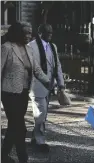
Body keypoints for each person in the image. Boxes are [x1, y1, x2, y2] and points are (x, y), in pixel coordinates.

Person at [1, 21, 50, 163]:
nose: (29, 35)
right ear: (18, 33)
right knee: (20, 127)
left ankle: (3, 156)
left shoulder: (29, 50)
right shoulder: (7, 48)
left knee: (13, 126)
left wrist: (48, 82)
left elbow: (37, 70)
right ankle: (23, 158)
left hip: (23, 93)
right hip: (9, 93)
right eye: (26, 33)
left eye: (30, 32)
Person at [28, 23, 65, 153]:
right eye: (47, 32)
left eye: (51, 32)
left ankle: (34, 137)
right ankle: (40, 141)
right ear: (40, 33)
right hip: (37, 85)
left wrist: (61, 84)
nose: (50, 34)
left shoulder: (53, 47)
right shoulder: (31, 47)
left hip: (49, 86)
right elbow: (32, 68)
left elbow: (57, 66)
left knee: (43, 114)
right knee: (41, 113)